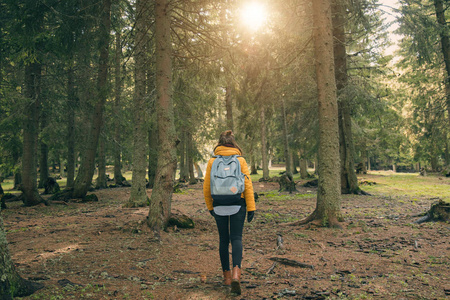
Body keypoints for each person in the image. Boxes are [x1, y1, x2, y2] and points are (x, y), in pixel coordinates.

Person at [203, 130, 256, 295]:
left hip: (218, 204)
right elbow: (247, 185)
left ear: (219, 144)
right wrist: (251, 208)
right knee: (237, 238)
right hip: (238, 203)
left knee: (223, 240)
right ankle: (236, 274)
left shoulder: (213, 161)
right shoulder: (240, 160)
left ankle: (226, 277)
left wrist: (210, 207)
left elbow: (206, 186)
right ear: (234, 143)